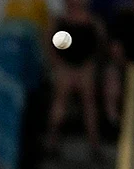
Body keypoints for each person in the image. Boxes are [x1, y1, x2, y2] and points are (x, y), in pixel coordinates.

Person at [46, 0, 106, 155]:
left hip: (85, 67)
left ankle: (95, 145)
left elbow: (99, 47)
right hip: (64, 67)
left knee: (89, 101)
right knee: (60, 99)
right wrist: (60, 67)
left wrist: (88, 68)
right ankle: (52, 141)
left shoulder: (93, 22)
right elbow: (50, 46)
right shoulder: (60, 22)